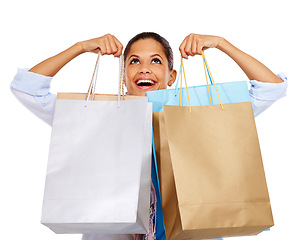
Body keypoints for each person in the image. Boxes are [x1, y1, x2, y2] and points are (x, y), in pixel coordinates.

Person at [10, 32, 287, 240]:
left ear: (171, 75)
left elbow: (269, 88)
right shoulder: (95, 116)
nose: (144, 68)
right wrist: (80, 48)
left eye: (155, 61)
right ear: (124, 76)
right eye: (133, 61)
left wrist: (221, 43)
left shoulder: (198, 113)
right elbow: (28, 88)